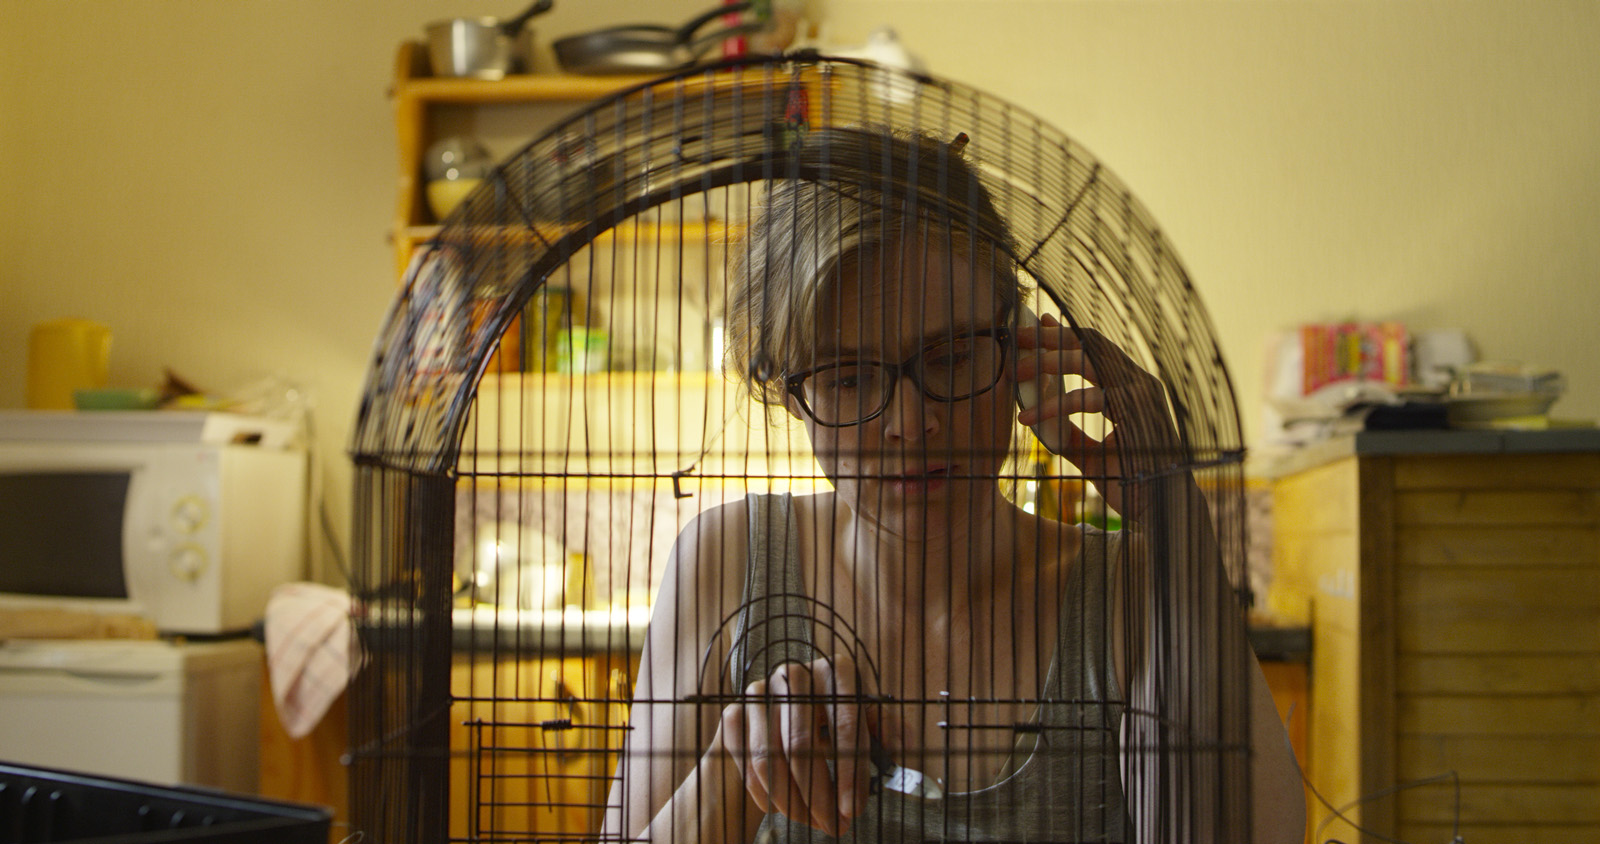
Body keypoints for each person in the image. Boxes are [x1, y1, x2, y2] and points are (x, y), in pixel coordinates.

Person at [602, 127, 1305, 843]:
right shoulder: (727, 566)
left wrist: (1177, 522)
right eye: (848, 378)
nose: (912, 423)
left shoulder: (1128, 595)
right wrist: (738, 766)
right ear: (789, 392)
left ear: (1019, 345)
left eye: (952, 357)